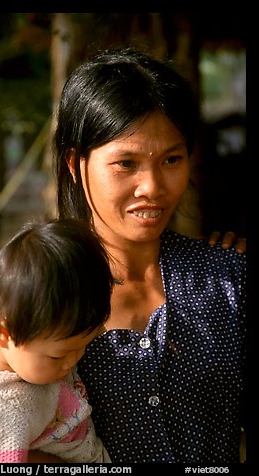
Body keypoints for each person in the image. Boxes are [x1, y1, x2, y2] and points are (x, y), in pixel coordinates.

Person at [53, 47, 246, 464]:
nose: (153, 187)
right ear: (75, 164)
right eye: (126, 163)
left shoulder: (229, 282)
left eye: (172, 160)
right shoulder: (41, 290)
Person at [0, 218, 114, 463]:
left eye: (84, 344)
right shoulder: (4, 415)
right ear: (5, 334)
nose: (76, 359)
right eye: (59, 355)